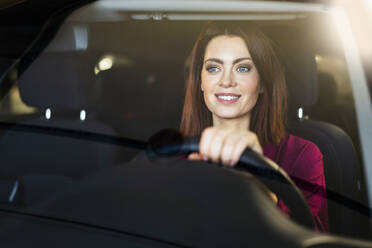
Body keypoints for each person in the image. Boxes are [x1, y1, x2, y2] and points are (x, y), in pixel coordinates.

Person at [179, 23, 328, 232]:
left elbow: (315, 238)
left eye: (242, 68)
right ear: (200, 81)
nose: (226, 81)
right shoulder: (176, 155)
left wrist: (262, 188)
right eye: (214, 68)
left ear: (262, 84)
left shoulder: (302, 155)